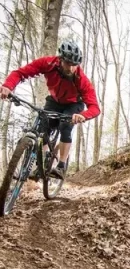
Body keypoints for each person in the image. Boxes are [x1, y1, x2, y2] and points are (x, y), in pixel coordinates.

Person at [0, 41, 100, 179]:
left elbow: (95, 107)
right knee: (42, 128)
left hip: (73, 104)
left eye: (74, 65)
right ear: (60, 59)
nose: (71, 68)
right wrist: (8, 86)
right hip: (54, 101)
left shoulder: (81, 79)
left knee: (65, 126)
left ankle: (61, 166)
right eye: (68, 63)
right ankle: (42, 164)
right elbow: (20, 73)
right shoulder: (48, 63)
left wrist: (83, 115)